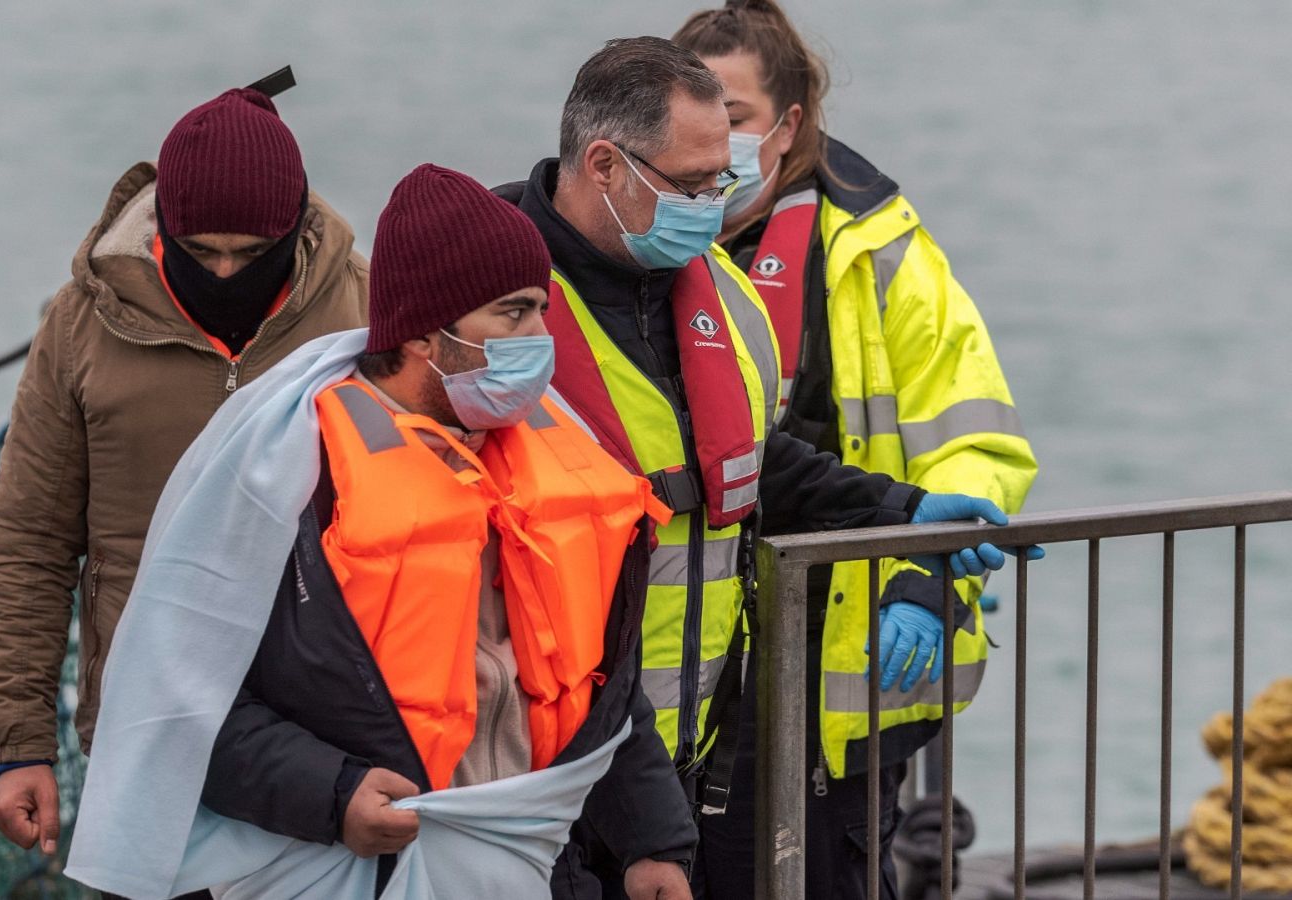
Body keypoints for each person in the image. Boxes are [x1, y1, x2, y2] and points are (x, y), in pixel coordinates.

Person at [492, 35, 1039, 897]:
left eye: (722, 179)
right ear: (604, 164)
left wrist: (905, 510)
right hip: (538, 756)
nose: (716, 203)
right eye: (693, 183)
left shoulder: (717, 290)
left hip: (699, 737)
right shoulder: (492, 297)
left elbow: (750, 456)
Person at [63, 164, 696, 900]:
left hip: (535, 859)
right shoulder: (293, 474)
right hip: (350, 866)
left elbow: (603, 686)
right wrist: (333, 795)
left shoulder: (562, 453)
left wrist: (654, 841)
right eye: (513, 314)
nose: (539, 337)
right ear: (427, 333)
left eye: (540, 311)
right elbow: (180, 704)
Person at [671, 2, 1039, 896]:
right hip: (675, 689)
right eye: (694, 111)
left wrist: (923, 578)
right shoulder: (642, 242)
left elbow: (976, 442)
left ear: (789, 125)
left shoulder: (881, 256)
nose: (718, 139)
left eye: (738, 115)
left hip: (844, 675)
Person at [0, 84, 368, 875]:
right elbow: (31, 545)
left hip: (332, 740)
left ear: (293, 225)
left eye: (251, 253)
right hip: (145, 730)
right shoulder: (80, 324)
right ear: (164, 227)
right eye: (201, 250)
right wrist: (20, 745)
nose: (224, 270)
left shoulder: (364, 308)